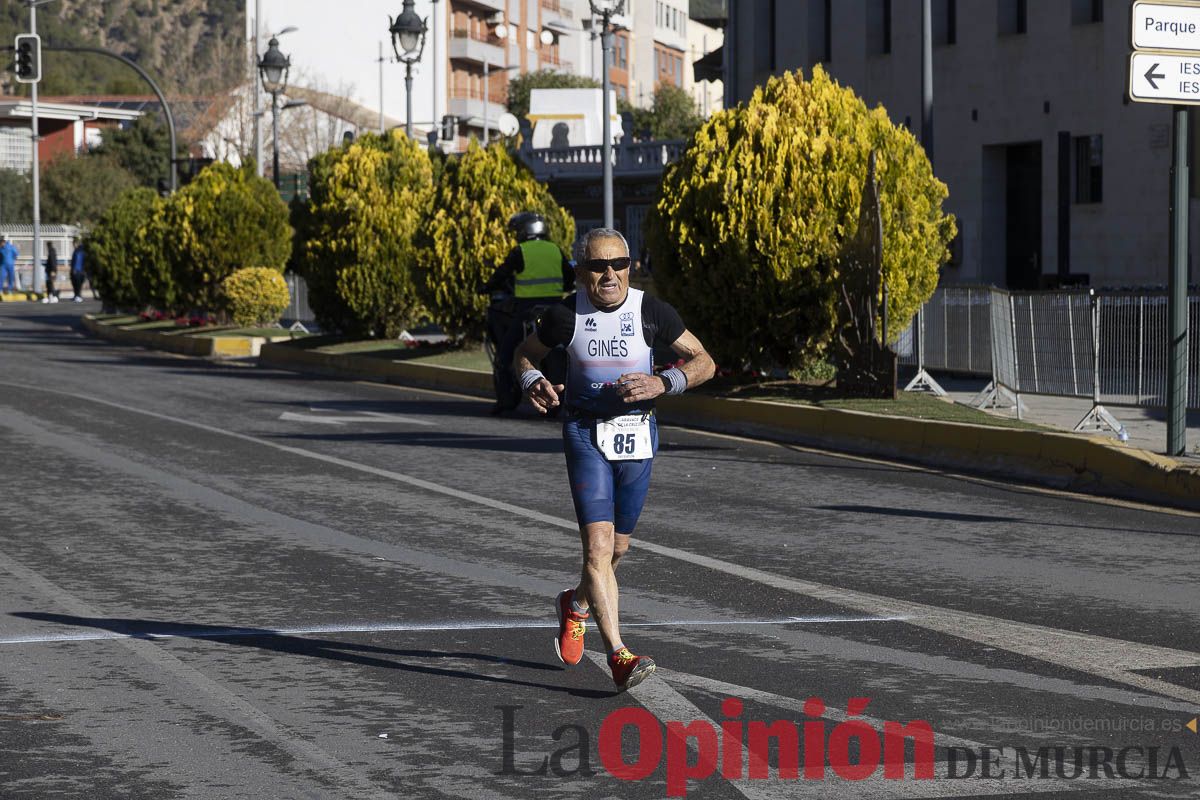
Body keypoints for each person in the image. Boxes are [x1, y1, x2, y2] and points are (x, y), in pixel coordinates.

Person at [513, 227, 715, 691]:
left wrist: (665, 383)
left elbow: (704, 361)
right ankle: (619, 655)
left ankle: (576, 604)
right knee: (598, 548)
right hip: (585, 432)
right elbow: (525, 355)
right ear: (581, 271)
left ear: (631, 267)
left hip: (638, 435)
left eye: (618, 264)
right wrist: (532, 382)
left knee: (618, 549)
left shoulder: (652, 312)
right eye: (598, 265)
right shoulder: (565, 315)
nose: (609, 274)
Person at [480, 212, 575, 414]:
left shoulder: (521, 251)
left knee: (506, 354)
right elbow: (569, 278)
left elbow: (502, 274)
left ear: (526, 230)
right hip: (555, 309)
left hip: (527, 310)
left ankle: (505, 401)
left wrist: (486, 287)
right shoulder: (555, 250)